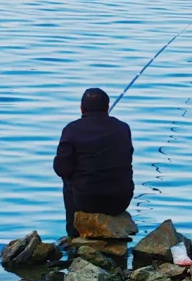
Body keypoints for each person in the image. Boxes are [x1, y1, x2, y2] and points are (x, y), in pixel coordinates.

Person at [53, 88, 134, 237]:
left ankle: (74, 234)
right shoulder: (123, 128)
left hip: (87, 202)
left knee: (67, 180)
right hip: (120, 201)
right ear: (107, 107)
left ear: (82, 108)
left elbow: (61, 169)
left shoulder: (71, 130)